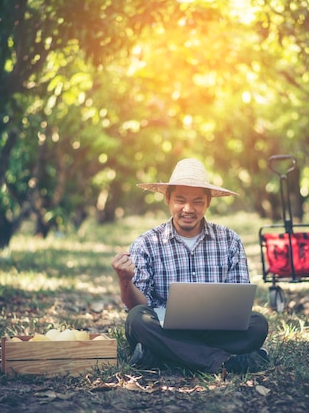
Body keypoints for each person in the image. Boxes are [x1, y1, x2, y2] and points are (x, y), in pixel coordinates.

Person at [111, 158, 269, 374]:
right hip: (164, 329)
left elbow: (239, 306)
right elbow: (137, 305)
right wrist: (125, 280)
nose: (188, 209)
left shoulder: (230, 240)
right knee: (137, 320)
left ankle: (159, 355)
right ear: (167, 198)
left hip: (214, 330)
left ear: (208, 202)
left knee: (258, 324)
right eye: (180, 200)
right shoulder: (146, 243)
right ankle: (223, 362)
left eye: (197, 201)